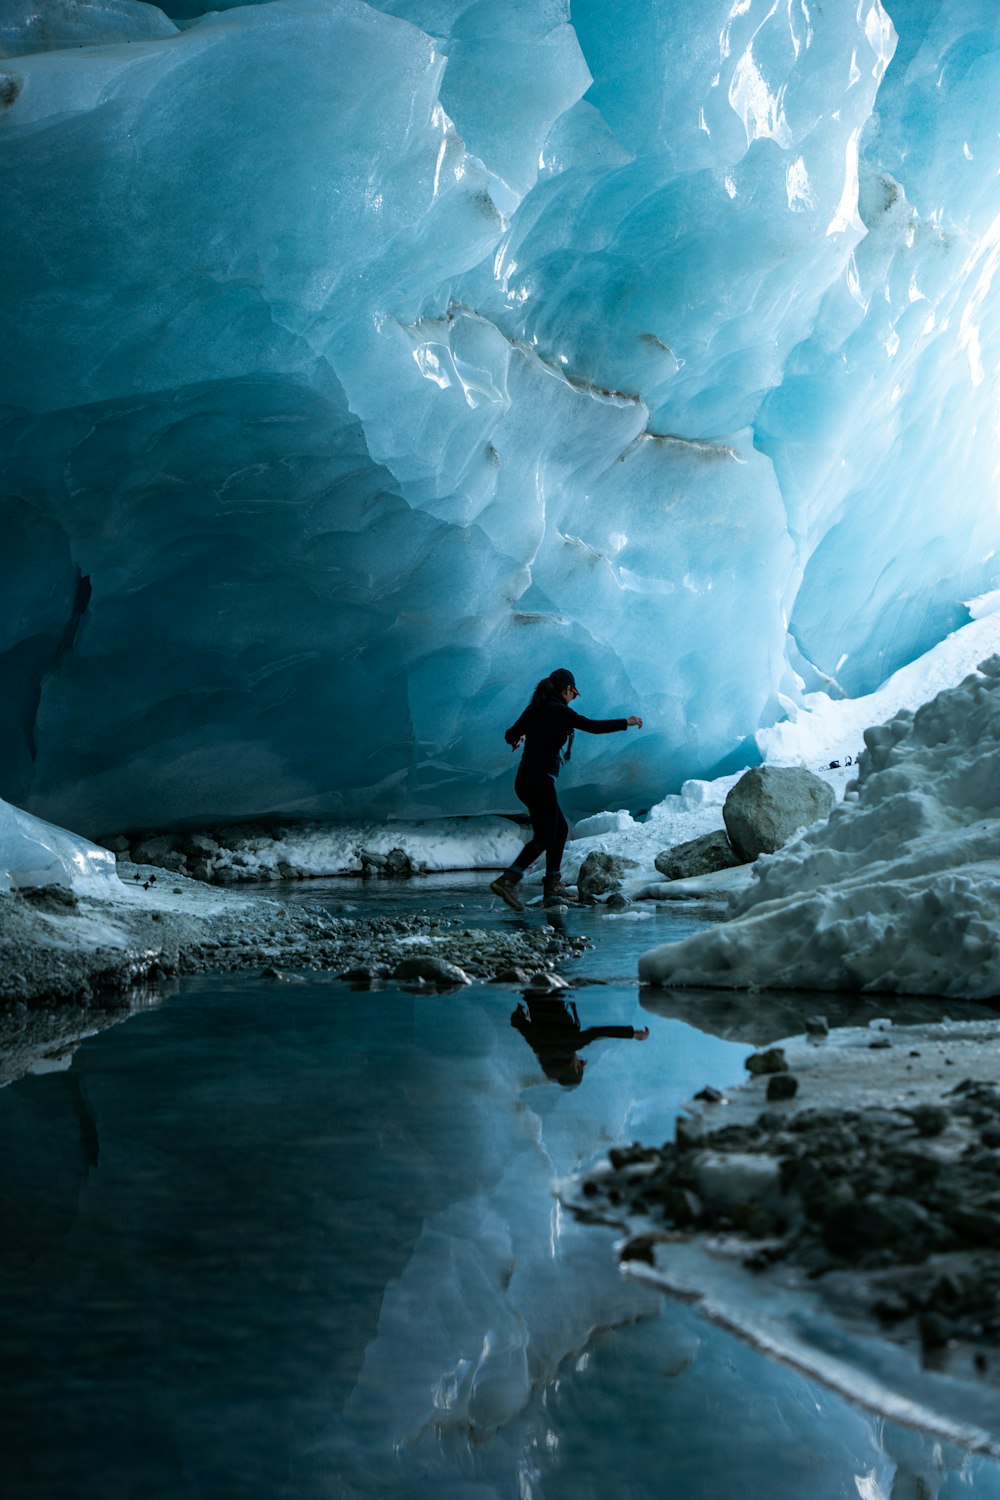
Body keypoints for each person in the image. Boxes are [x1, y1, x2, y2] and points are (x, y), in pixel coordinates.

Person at [490, 667, 642, 911]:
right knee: (546, 834)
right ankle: (508, 880)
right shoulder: (558, 710)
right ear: (569, 690)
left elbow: (510, 735)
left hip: (527, 780)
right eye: (575, 692)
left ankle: (552, 884)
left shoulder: (536, 708)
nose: (574, 697)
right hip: (538, 780)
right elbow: (591, 726)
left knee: (559, 829)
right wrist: (627, 722)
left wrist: (520, 738)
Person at [510, 996, 649, 1087]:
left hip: (552, 991)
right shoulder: (538, 1046)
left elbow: (597, 1032)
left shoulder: (570, 1046)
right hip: (531, 997)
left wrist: (632, 1034)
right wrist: (525, 1018)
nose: (581, 1059)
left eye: (581, 1063)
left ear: (576, 1067)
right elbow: (516, 1021)